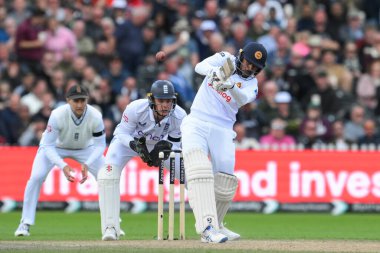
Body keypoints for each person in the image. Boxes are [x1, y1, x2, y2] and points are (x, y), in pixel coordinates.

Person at [180, 42, 267, 243]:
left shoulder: (251, 84)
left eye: (255, 67)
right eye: (248, 63)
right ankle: (207, 228)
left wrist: (229, 85)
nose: (250, 68)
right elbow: (198, 67)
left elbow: (242, 98)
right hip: (197, 122)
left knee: (226, 181)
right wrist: (216, 73)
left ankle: (218, 225)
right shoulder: (224, 59)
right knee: (200, 170)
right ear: (241, 56)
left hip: (223, 130)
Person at [98, 80, 187, 241]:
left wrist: (165, 150)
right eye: (161, 101)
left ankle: (209, 225)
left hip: (158, 147)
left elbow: (175, 144)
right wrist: (135, 146)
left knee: (190, 174)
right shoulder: (135, 108)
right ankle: (110, 228)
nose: (165, 105)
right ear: (152, 100)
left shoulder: (180, 115)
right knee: (107, 174)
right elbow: (121, 133)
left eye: (169, 101)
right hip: (127, 143)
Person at [14, 84, 106, 236]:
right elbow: (48, 145)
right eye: (75, 101)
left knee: (107, 177)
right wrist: (63, 165)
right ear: (68, 100)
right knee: (36, 178)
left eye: (83, 100)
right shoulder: (57, 114)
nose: (79, 104)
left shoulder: (95, 115)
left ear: (87, 100)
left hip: (85, 148)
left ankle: (112, 224)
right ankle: (25, 223)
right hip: (56, 147)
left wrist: (87, 164)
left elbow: (100, 145)